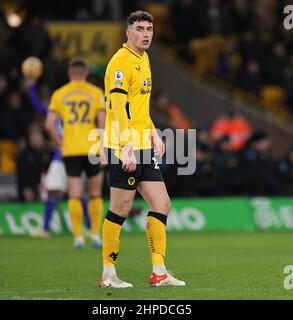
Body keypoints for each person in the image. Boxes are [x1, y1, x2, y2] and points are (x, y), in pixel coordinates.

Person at [100, 10, 185, 288]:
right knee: (119, 211)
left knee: (162, 204)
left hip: (142, 146)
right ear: (128, 32)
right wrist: (125, 148)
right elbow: (117, 108)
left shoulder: (144, 58)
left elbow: (138, 107)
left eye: (149, 28)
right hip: (124, 147)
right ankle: (108, 274)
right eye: (140, 28)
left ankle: (159, 272)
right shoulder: (120, 63)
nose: (146, 33)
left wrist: (152, 133)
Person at [45, 58, 105, 249]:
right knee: (95, 194)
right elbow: (102, 124)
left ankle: (78, 236)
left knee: (74, 195)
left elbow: (49, 125)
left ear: (70, 73)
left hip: (70, 149)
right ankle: (96, 235)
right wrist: (103, 148)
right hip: (91, 149)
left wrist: (59, 141)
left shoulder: (59, 94)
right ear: (85, 73)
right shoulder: (95, 93)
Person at [25, 79, 91, 239]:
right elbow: (37, 106)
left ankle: (90, 228)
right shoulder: (54, 113)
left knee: (79, 194)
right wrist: (32, 86)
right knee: (54, 192)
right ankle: (45, 229)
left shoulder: (76, 115)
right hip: (59, 158)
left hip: (73, 156)